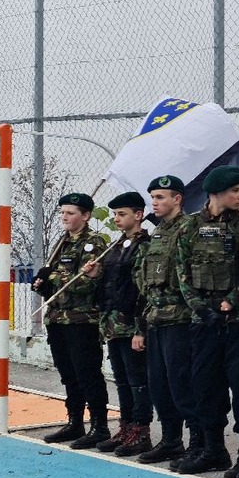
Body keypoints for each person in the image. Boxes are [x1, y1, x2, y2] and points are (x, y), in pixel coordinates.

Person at [171, 164, 239, 476]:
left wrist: (231, 301)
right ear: (216, 193)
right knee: (205, 387)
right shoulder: (190, 227)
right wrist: (201, 309)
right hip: (204, 323)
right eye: (235, 191)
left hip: (238, 322)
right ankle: (214, 449)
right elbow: (182, 274)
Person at [32, 191, 112, 450]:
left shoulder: (93, 243)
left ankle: (99, 426)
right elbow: (57, 280)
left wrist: (52, 278)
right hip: (58, 318)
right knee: (68, 374)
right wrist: (42, 282)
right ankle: (74, 421)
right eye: (62, 213)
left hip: (81, 319)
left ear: (85, 216)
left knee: (87, 373)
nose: (64, 217)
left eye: (70, 213)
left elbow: (87, 282)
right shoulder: (62, 242)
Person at [130, 175, 196, 467]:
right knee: (158, 385)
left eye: (160, 197)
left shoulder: (189, 228)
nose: (154, 203)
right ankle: (171, 440)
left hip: (180, 320)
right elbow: (145, 284)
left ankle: (197, 443)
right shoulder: (157, 233)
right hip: (156, 319)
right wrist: (141, 326)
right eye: (153, 198)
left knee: (181, 384)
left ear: (177, 199)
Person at [96, 191, 153, 456]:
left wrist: (140, 329)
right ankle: (126, 426)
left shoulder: (144, 246)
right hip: (114, 324)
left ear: (138, 215)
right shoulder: (117, 246)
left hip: (131, 324)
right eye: (115, 214)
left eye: (122, 214)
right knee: (121, 379)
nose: (117, 219)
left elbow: (143, 291)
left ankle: (141, 431)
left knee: (137, 380)